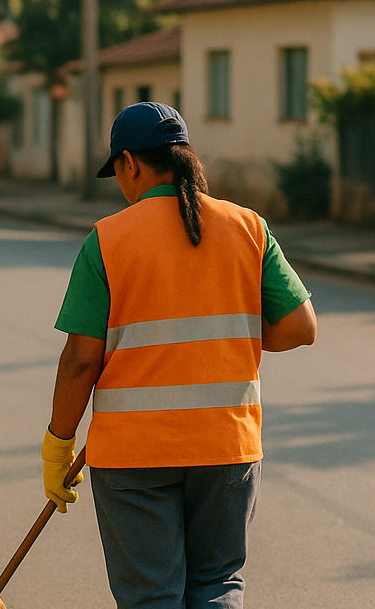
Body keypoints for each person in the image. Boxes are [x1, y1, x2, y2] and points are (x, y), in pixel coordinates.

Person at [41, 102, 317, 609]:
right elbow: (301, 327)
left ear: (130, 163)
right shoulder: (248, 227)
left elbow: (81, 359)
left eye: (118, 172)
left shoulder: (107, 240)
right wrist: (239, 335)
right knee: (217, 584)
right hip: (226, 446)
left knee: (152, 597)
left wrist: (59, 443)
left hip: (135, 455)